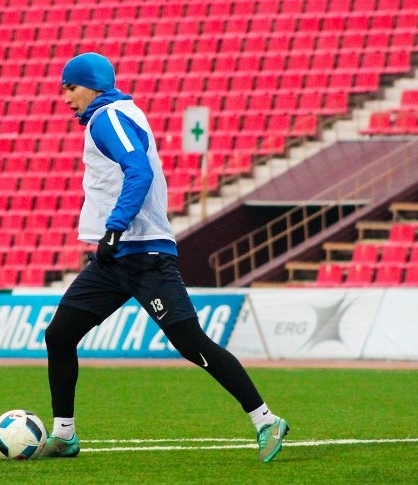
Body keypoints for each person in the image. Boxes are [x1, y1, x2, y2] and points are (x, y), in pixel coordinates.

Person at [39, 52, 289, 462]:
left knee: (191, 344)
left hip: (144, 254)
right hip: (116, 258)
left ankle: (267, 420)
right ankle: (64, 435)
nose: (65, 96)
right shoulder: (114, 114)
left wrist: (115, 227)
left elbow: (139, 170)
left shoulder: (107, 118)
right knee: (60, 335)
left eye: (71, 87)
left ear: (94, 86)